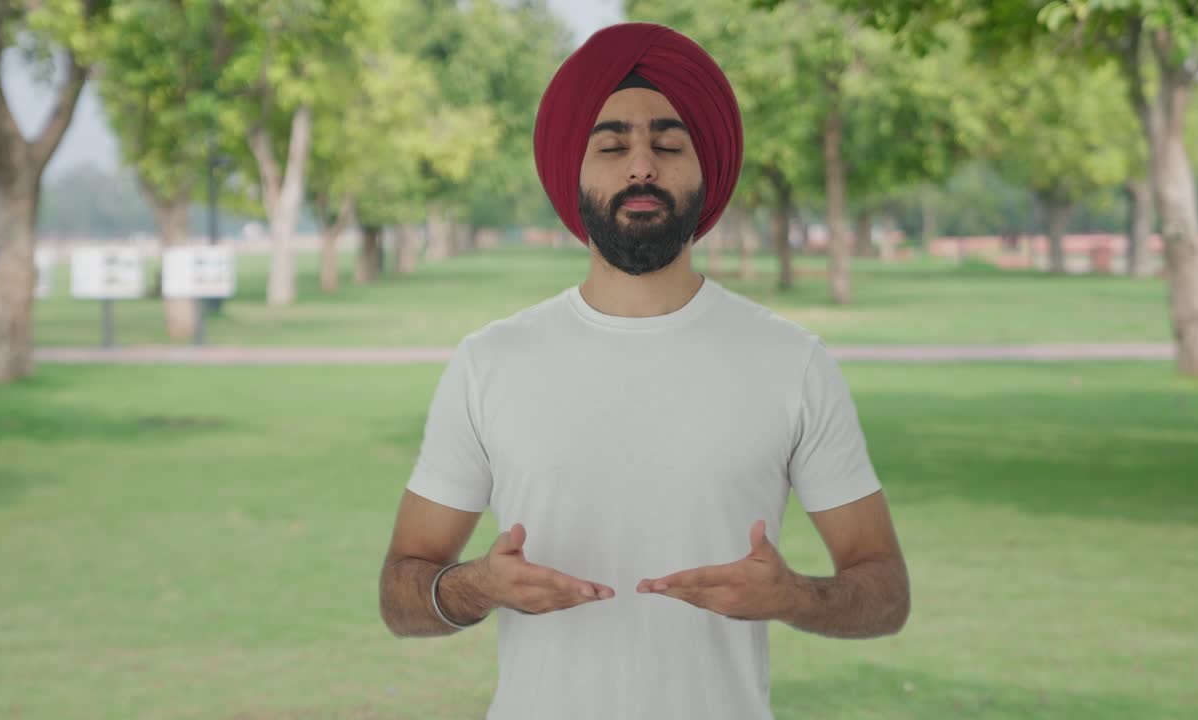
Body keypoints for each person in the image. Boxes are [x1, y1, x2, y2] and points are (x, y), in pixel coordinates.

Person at [379, 22, 909, 720]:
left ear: (704, 168)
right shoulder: (491, 362)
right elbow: (401, 595)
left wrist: (794, 597)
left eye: (667, 144)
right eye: (612, 146)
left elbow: (885, 591)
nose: (640, 167)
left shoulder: (791, 362)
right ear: (573, 167)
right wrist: (476, 586)